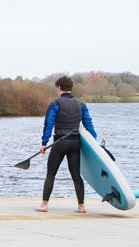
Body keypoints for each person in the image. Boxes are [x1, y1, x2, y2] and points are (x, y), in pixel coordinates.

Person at [36, 76, 97, 213]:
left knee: (51, 173)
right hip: (75, 143)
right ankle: (81, 206)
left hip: (60, 142)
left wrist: (44, 143)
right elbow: (88, 125)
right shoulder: (81, 105)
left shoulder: (55, 104)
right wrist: (95, 142)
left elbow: (49, 124)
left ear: (59, 88)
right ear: (70, 88)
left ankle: (44, 205)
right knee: (76, 175)